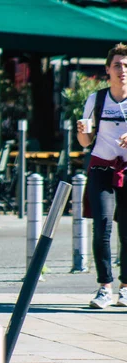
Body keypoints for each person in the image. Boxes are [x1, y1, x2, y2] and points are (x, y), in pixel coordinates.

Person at [77, 43, 127, 309]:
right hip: (101, 168)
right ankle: (104, 287)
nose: (123, 71)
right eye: (118, 65)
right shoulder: (96, 99)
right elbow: (85, 142)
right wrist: (82, 131)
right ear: (107, 69)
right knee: (102, 227)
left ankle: (126, 287)